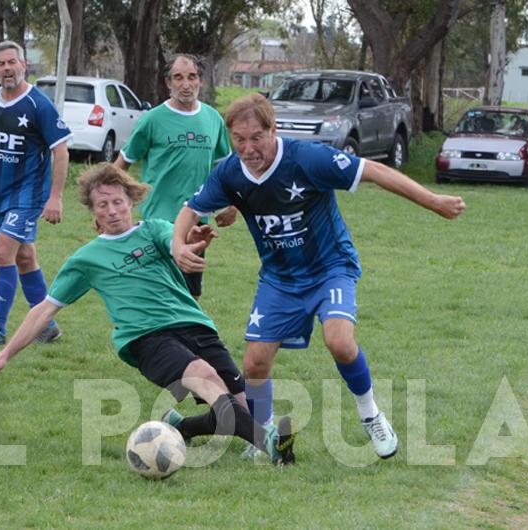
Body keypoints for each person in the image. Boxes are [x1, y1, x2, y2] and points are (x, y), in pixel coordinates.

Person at [172, 94, 466, 459]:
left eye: (256, 138)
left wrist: (432, 200)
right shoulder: (230, 172)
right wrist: (177, 245)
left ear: (273, 129)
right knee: (254, 363)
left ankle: (371, 415)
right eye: (238, 139)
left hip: (330, 268)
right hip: (280, 277)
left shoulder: (306, 159)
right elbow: (191, 209)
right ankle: (264, 434)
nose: (248, 148)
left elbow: (373, 171)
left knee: (340, 342)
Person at [0, 164, 296, 466]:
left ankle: (180, 428)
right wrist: (5, 354)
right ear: (93, 213)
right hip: (146, 339)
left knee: (235, 411)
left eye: (118, 202)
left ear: (130, 202)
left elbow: (175, 242)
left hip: (195, 326)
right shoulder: (87, 259)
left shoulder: (154, 229)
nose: (113, 211)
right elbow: (45, 309)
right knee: (206, 376)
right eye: (103, 205)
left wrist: (191, 242)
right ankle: (271, 446)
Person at [0, 40, 71, 346]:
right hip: (0, 197)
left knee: (2, 252)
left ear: (24, 65)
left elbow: (61, 151)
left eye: (12, 62)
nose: (7, 68)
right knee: (24, 257)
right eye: (1, 64)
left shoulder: (38, 104)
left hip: (28, 196)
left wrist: (55, 197)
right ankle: (47, 325)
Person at [114, 54, 234, 299]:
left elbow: (226, 168)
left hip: (197, 223)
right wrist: (106, 204)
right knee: (157, 292)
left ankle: (186, 338)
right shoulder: (152, 119)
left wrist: (232, 204)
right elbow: (121, 164)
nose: (186, 84)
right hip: (158, 221)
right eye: (178, 78)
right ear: (168, 83)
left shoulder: (212, 119)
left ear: (200, 81)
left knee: (190, 294)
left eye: (191, 77)